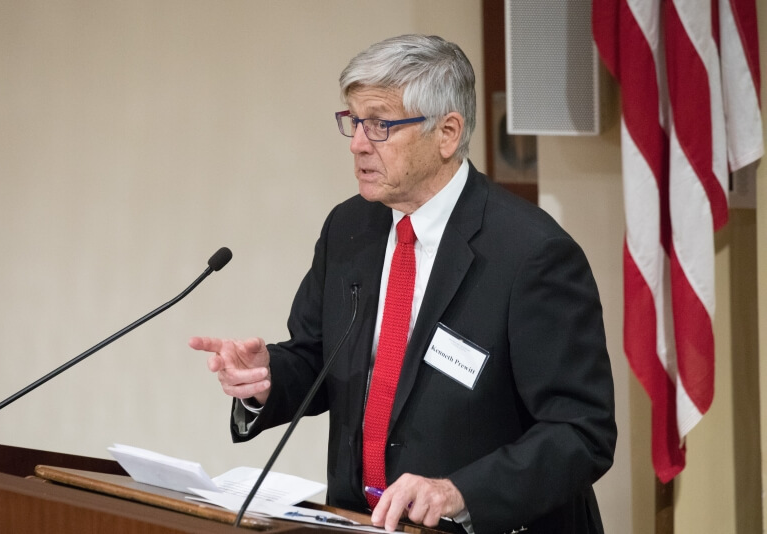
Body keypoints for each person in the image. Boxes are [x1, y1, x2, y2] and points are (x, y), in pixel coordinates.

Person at [190, 34, 616, 534]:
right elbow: (319, 356)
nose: (357, 143)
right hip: (361, 520)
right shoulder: (349, 228)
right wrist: (266, 379)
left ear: (447, 133)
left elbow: (580, 432)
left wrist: (457, 493)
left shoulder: (532, 254)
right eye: (352, 122)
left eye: (380, 124)